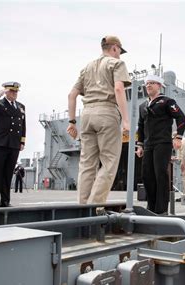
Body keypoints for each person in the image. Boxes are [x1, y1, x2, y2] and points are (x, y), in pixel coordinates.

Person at [67, 35, 131, 206]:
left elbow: (72, 95)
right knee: (109, 162)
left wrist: (71, 122)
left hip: (86, 115)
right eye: (119, 51)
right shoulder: (117, 64)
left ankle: (82, 207)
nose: (119, 55)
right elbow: (118, 89)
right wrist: (126, 120)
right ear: (115, 48)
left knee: (87, 164)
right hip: (107, 113)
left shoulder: (87, 67)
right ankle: (94, 206)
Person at [136, 75, 185, 214]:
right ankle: (151, 207)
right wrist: (140, 145)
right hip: (148, 145)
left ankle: (161, 209)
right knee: (147, 175)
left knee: (160, 175)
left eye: (152, 83)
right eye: (147, 84)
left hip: (162, 143)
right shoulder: (143, 106)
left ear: (159, 86)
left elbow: (181, 118)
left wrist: (178, 137)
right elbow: (140, 126)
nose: (148, 86)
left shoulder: (167, 101)